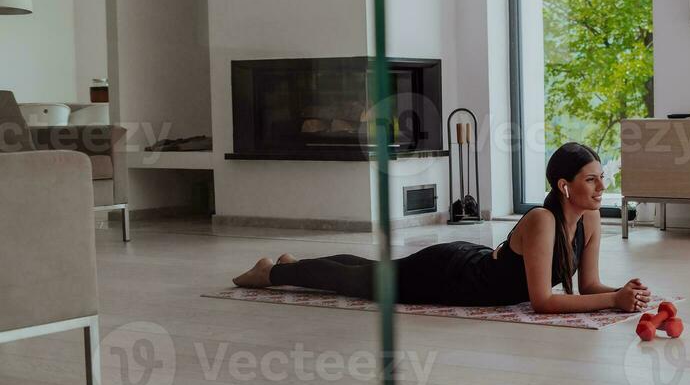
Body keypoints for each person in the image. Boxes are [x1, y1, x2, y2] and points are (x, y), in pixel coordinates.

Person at [231, 142, 651, 313]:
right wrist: (612, 302)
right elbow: (542, 301)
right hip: (453, 277)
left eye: (601, 177)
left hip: (468, 266)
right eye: (591, 179)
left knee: (370, 270)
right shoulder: (543, 221)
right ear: (565, 186)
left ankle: (294, 263)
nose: (601, 187)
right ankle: (272, 272)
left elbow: (591, 284)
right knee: (360, 282)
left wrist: (621, 292)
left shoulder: (591, 219)